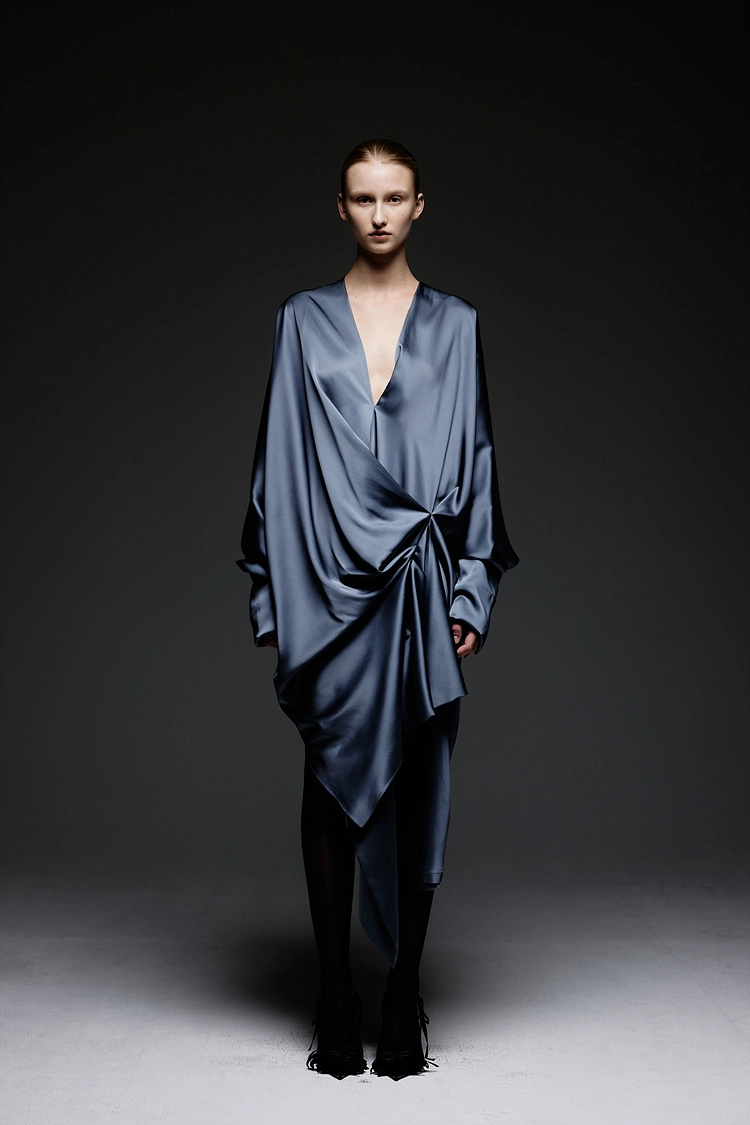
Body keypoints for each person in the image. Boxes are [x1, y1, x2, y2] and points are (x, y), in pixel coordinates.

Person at [238, 139, 518, 1080]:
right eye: (363, 199)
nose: (380, 215)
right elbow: (276, 464)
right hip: (326, 586)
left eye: (395, 198)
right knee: (327, 778)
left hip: (421, 584)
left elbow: (476, 459)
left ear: (420, 205)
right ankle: (334, 995)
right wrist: (273, 595)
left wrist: (471, 587)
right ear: (342, 208)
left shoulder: (458, 325)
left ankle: (402, 991)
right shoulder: (301, 320)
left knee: (421, 782)